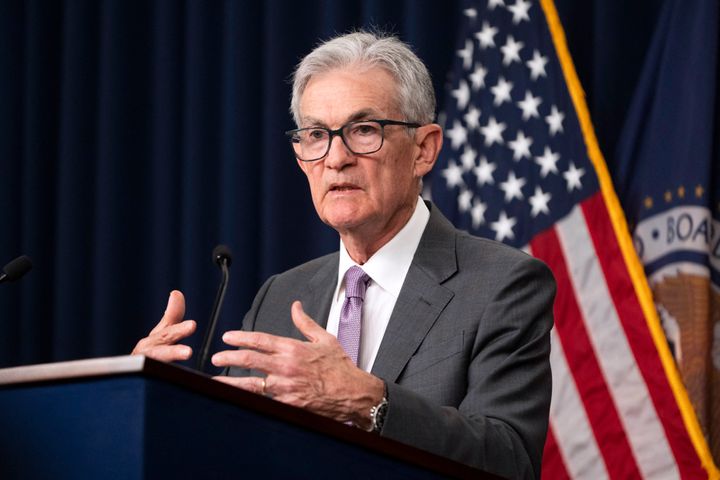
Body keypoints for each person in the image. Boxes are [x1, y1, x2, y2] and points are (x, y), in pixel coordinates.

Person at [132, 31, 556, 479]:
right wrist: (152, 404)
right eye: (316, 135)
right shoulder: (279, 296)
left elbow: (510, 461)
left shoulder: (501, 285)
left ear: (424, 149)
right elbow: (232, 454)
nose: (336, 158)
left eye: (363, 130)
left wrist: (369, 400)